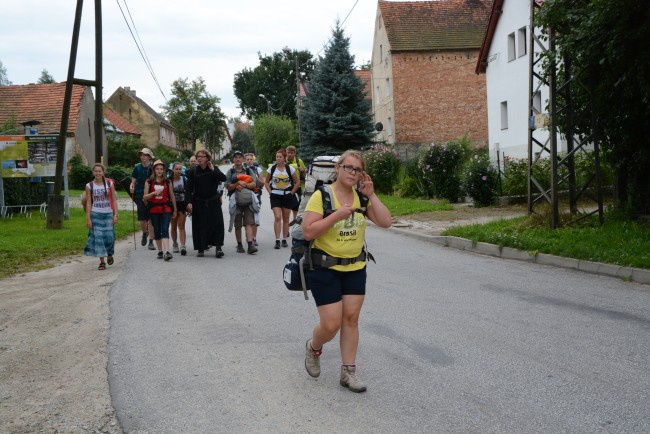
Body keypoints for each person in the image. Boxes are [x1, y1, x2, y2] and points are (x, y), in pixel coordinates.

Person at [301, 150, 392, 393]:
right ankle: (314, 347)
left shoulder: (361, 198)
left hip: (355, 266)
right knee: (331, 325)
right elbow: (308, 231)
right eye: (348, 167)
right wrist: (336, 216)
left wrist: (372, 196)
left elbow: (385, 222)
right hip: (324, 268)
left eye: (358, 169)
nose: (353, 173)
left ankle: (348, 372)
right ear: (339, 168)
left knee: (351, 320)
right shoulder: (322, 196)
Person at [185, 149, 227, 258]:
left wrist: (214, 170)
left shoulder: (213, 169)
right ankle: (200, 248)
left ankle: (218, 247)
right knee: (199, 225)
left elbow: (224, 178)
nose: (200, 158)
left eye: (202, 156)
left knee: (217, 224)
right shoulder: (193, 171)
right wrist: (188, 202)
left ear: (207, 158)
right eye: (198, 156)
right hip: (198, 201)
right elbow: (188, 188)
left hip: (213, 201)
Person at [84, 163, 118, 270]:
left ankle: (109, 254)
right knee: (98, 238)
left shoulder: (109, 184)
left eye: (100, 171)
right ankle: (102, 262)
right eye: (96, 171)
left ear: (103, 172)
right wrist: (88, 218)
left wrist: (115, 214)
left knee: (109, 237)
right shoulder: (89, 186)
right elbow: (89, 202)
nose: (98, 173)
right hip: (95, 214)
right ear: (93, 172)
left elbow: (113, 199)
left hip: (107, 213)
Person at [225, 151, 258, 254]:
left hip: (248, 201)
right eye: (236, 157)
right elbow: (227, 186)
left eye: (240, 157)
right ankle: (239, 245)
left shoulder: (248, 170)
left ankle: (250, 245)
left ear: (242, 159)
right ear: (234, 159)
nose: (238, 159)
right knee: (238, 224)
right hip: (236, 201)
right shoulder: (230, 172)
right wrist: (237, 184)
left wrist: (245, 185)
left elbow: (254, 184)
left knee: (248, 223)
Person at [143, 159, 177, 261]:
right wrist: (153, 193)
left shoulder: (167, 181)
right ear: (154, 170)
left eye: (161, 169)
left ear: (164, 170)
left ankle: (167, 252)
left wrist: (175, 209)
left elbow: (172, 196)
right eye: (157, 169)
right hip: (153, 208)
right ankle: (160, 251)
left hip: (165, 208)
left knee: (165, 228)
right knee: (157, 230)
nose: (159, 171)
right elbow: (145, 197)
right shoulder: (148, 182)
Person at [129, 148, 155, 250]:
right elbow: (133, 181)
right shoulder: (137, 168)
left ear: (149, 157)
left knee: (151, 219)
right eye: (141, 155)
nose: (142, 156)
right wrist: (131, 186)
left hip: (151, 195)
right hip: (140, 195)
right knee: (142, 219)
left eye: (145, 155)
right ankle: (145, 232)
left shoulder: (153, 168)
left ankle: (151, 242)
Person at [245, 152, 264, 246]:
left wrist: (255, 178)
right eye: (247, 159)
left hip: (256, 195)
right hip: (246, 195)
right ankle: (249, 236)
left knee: (255, 217)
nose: (249, 161)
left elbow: (262, 184)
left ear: (253, 160)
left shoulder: (258, 169)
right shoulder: (243, 169)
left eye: (250, 159)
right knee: (248, 217)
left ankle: (254, 238)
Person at [170, 162, 188, 255]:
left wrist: (188, 204)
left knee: (181, 226)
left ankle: (183, 245)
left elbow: (188, 192)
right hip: (172, 205)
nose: (178, 171)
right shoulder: (169, 180)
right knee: (173, 226)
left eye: (180, 169)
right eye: (176, 169)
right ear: (173, 169)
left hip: (182, 204)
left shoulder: (184, 179)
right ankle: (174, 244)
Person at [286, 145, 307, 221]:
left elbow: (305, 170)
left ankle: (295, 219)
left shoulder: (299, 161)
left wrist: (303, 170)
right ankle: (287, 220)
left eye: (292, 153)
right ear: (286, 153)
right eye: (288, 153)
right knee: (287, 204)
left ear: (295, 153)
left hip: (298, 186)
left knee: (298, 204)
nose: (290, 154)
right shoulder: (284, 161)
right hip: (287, 186)